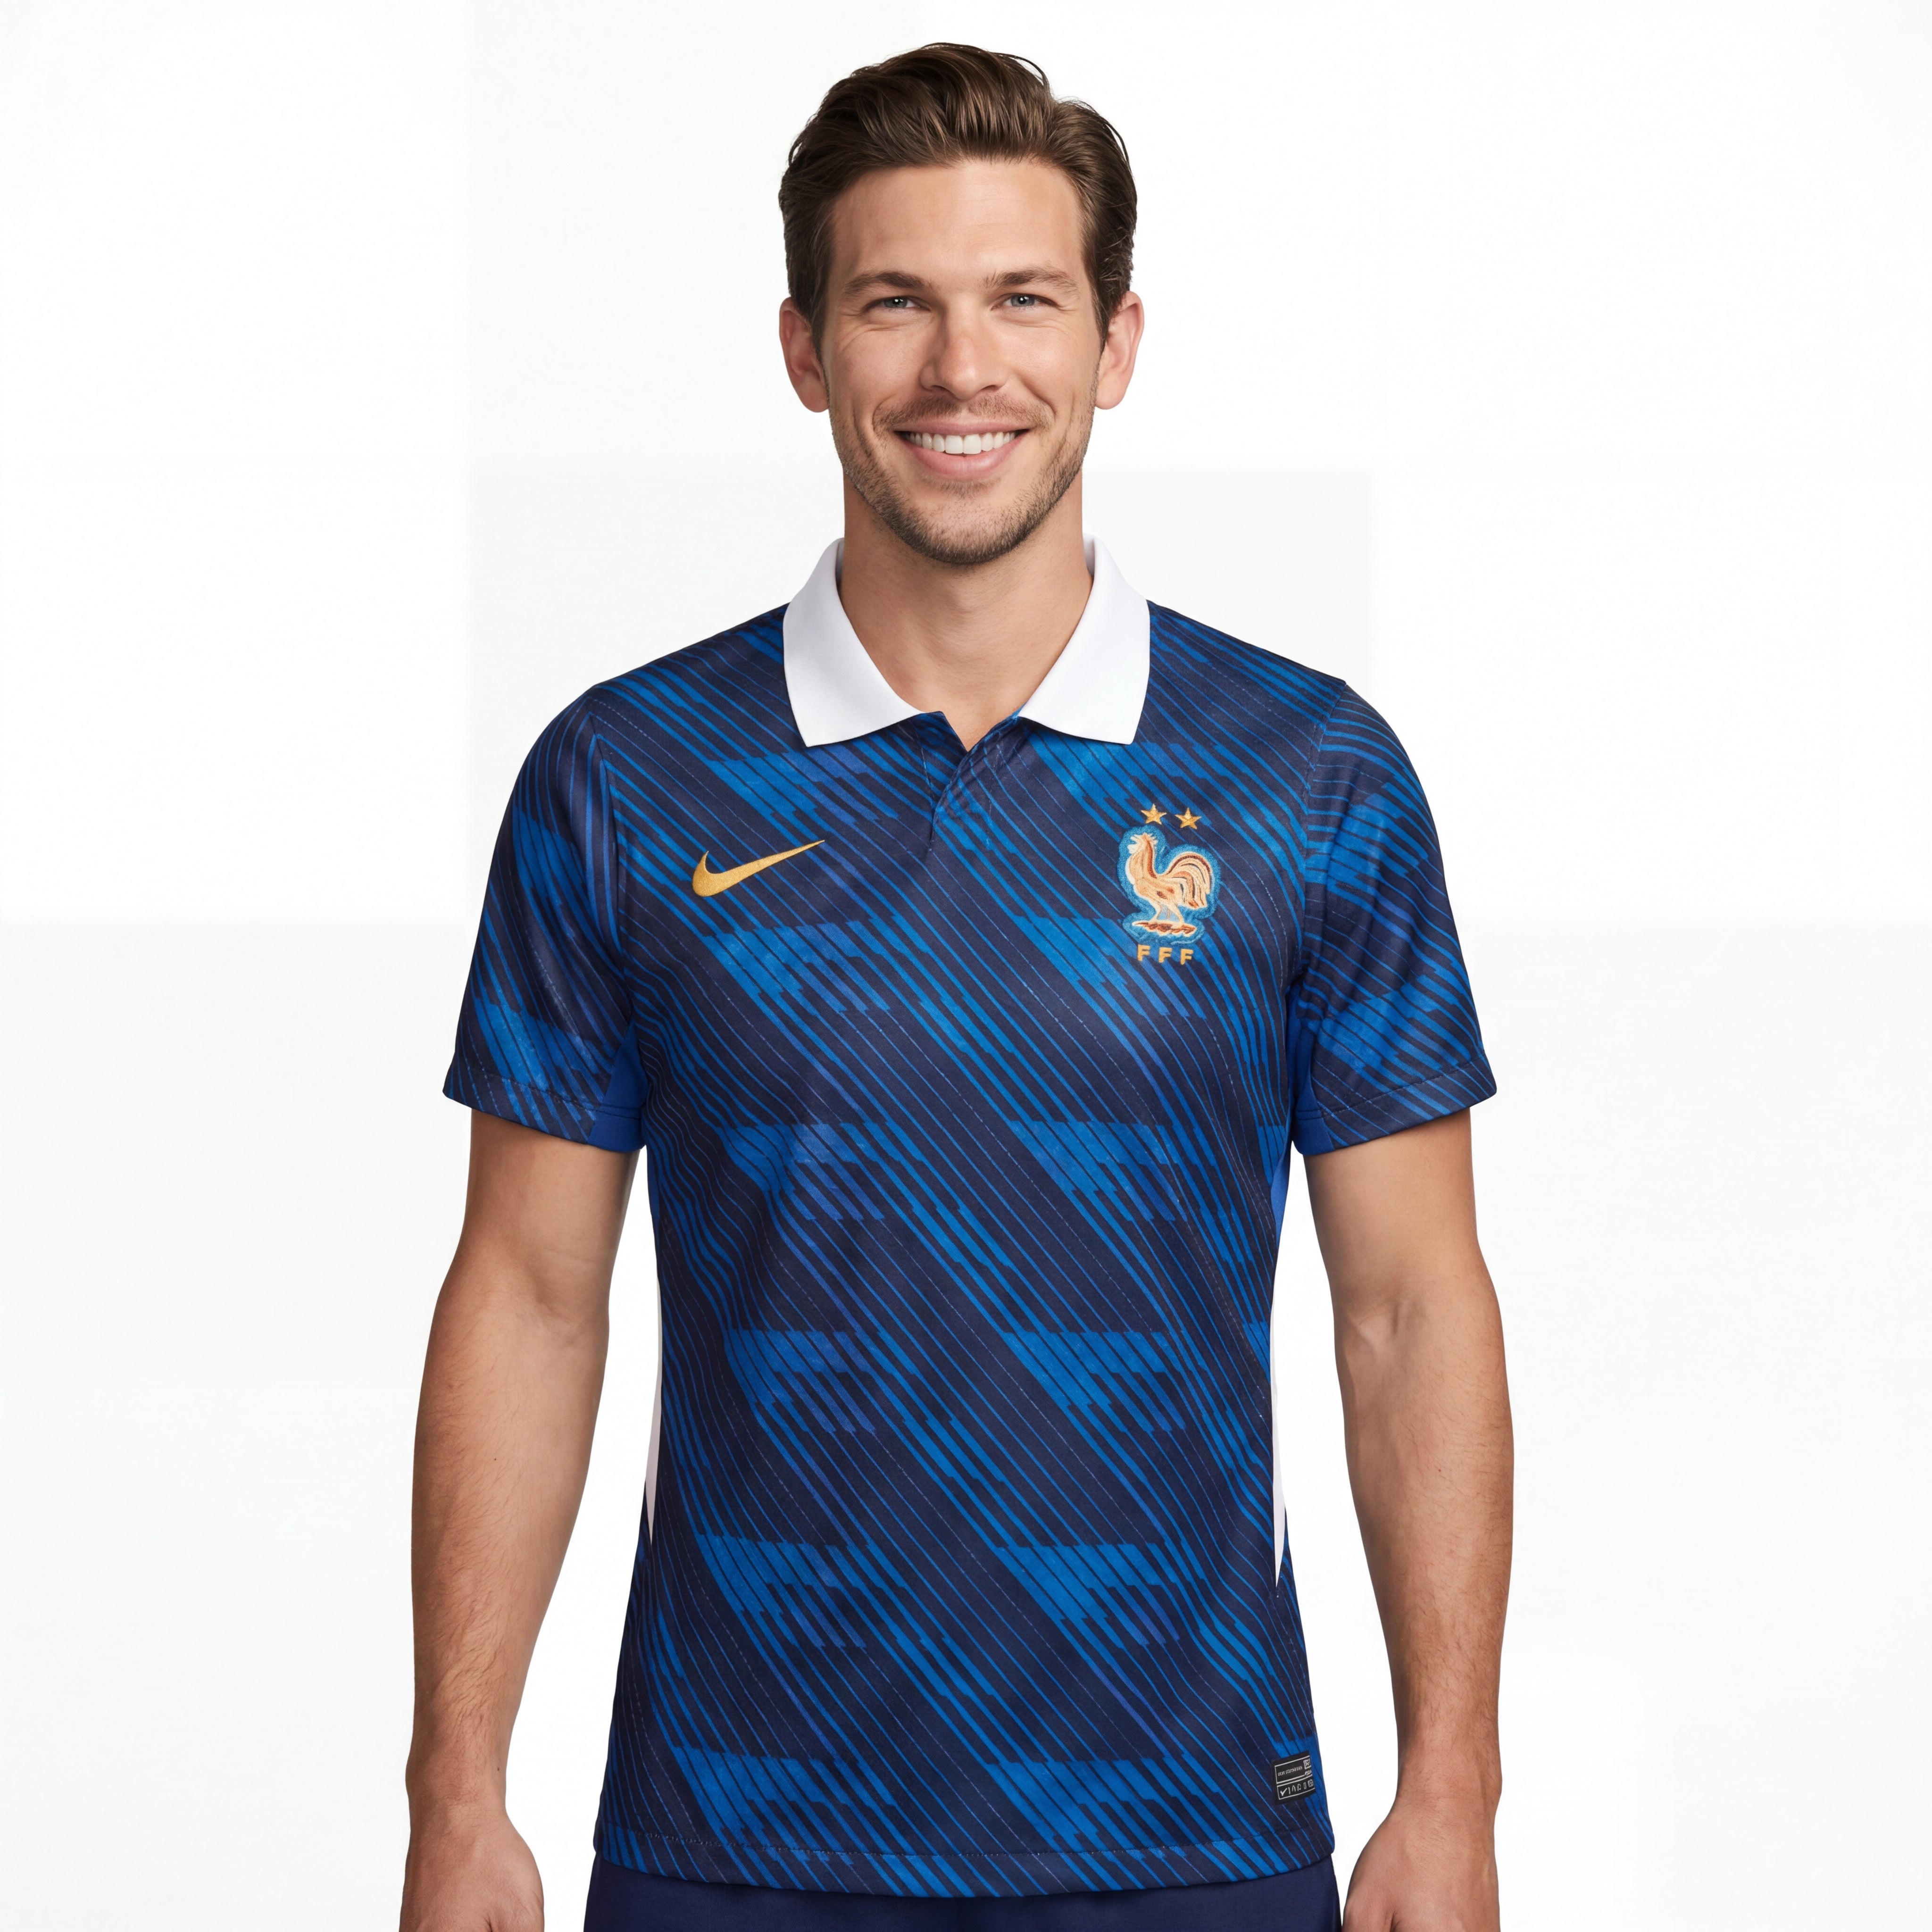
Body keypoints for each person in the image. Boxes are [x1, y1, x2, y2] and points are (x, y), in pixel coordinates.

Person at [401, 42, 1511, 1932]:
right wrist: (455, 1794)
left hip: (1194, 1832)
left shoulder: (1309, 780)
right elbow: (527, 1294)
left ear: (1117, 342)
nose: (961, 366)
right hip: (731, 1831)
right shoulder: (630, 777)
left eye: (1024, 300)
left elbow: (1409, 1308)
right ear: (804, 349)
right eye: (894, 302)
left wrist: (1452, 1793)